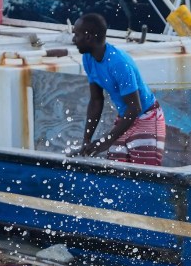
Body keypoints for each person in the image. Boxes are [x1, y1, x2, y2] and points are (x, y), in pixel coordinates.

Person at [71, 13, 165, 165]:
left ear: (88, 37)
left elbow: (135, 107)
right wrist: (86, 140)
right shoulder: (88, 58)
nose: (73, 40)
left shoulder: (118, 63)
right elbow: (96, 101)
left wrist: (106, 141)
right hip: (126, 118)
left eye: (76, 34)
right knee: (115, 168)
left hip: (147, 116)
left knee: (145, 173)